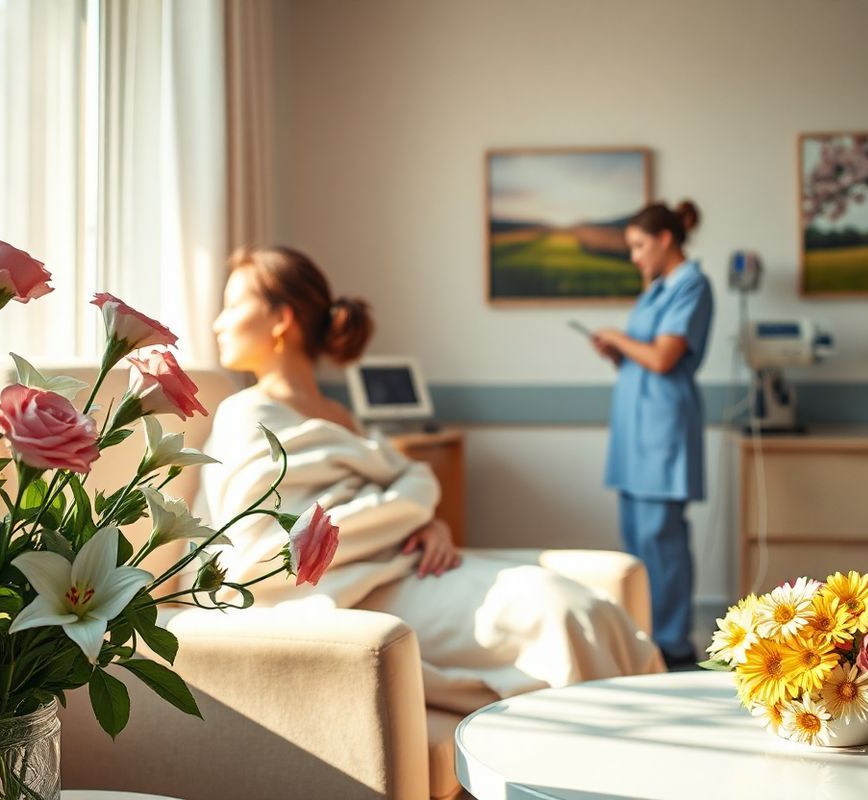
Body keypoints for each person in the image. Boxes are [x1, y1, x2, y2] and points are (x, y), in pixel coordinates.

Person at [196, 245, 663, 713]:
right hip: (350, 590)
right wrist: (403, 518)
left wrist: (424, 524)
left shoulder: (339, 415)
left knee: (575, 604)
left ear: (281, 318)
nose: (218, 321)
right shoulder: (244, 413)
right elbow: (262, 549)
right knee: (557, 614)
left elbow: (403, 484)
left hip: (407, 568)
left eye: (232, 304)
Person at [591, 200, 713, 669]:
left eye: (640, 246)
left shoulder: (692, 285)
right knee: (637, 542)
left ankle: (673, 645)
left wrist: (617, 336)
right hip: (636, 431)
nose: (635, 257)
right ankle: (645, 642)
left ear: (666, 239)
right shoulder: (658, 289)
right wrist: (618, 352)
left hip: (662, 430)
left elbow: (663, 359)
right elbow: (647, 356)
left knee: (662, 539)